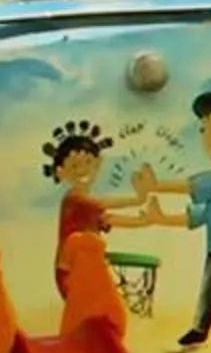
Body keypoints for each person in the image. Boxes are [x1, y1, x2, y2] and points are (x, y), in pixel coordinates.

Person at [134, 91, 211, 346]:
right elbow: (195, 217)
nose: (210, 139)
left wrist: (156, 186)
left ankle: (200, 329)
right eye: (204, 130)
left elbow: (192, 186)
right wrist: (161, 218)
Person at [41, 122, 157, 298]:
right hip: (70, 271)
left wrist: (144, 221)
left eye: (88, 162)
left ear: (97, 164)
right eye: (74, 166)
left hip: (87, 267)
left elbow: (111, 219)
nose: (83, 170)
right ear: (60, 172)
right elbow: (104, 203)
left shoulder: (89, 206)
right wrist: (138, 199)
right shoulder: (75, 199)